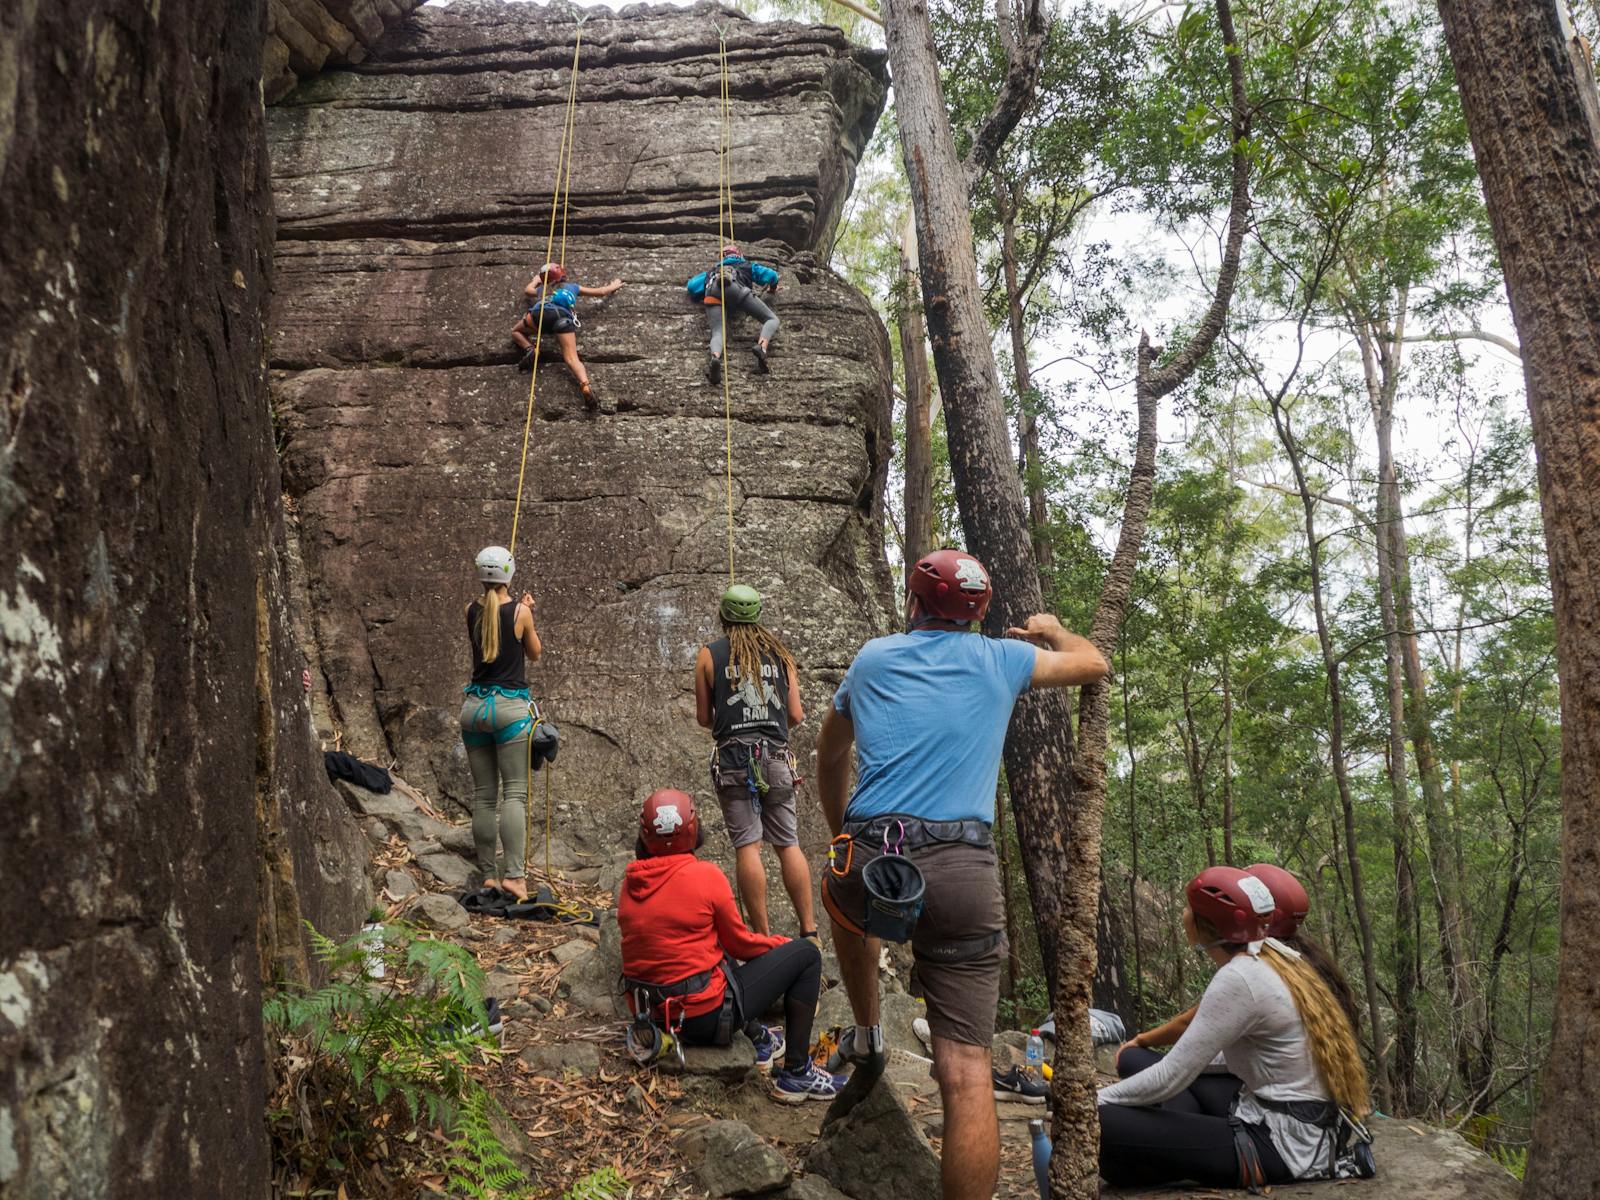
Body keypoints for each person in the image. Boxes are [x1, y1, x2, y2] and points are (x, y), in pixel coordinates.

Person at [813, 548, 1110, 1200]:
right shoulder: (1003, 660)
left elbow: (829, 754)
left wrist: (843, 828)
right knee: (968, 1070)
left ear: (914, 604)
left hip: (874, 848)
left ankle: (866, 1032)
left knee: (843, 900)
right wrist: (1052, 628)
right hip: (964, 868)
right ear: (977, 612)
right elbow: (1095, 662)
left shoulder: (873, 659)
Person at [1098, 866, 1374, 1190]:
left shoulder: (1240, 977)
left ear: (1207, 923)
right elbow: (1217, 1061)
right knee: (1135, 1079)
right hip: (1298, 1125)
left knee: (1101, 1121)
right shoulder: (1275, 956)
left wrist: (1091, 1101)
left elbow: (1170, 1077)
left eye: (1189, 909)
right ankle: (1163, 1152)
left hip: (1281, 1145)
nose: (1183, 914)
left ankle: (1165, 1150)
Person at [617, 789, 847, 1102]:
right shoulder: (706, 876)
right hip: (703, 1018)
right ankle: (796, 1073)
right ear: (693, 831)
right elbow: (740, 945)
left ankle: (758, 1036)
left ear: (644, 836)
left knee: (709, 945)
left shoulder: (630, 884)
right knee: (806, 955)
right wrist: (780, 945)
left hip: (653, 1019)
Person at [1116, 861, 1361, 1062]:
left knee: (1134, 1062)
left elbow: (1190, 1023)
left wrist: (1141, 1040)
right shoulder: (1303, 957)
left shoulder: (1257, 964)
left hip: (1270, 1095)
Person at [693, 584, 815, 941]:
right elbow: (795, 714)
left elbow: (704, 718)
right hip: (775, 757)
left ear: (723, 616)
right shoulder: (781, 655)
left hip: (734, 759)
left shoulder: (708, 655)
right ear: (758, 615)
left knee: (749, 845)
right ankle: (809, 930)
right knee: (787, 843)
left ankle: (761, 939)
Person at [459, 546, 543, 902]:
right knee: (514, 794)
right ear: (509, 573)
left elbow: (490, 629)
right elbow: (534, 653)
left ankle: (488, 877)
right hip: (509, 709)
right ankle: (515, 877)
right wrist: (528, 613)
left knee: (483, 796)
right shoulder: (521, 612)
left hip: (474, 708)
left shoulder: (470, 610)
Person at [510, 262, 625, 405]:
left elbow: (527, 291)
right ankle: (585, 385)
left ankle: (530, 348)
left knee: (516, 331)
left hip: (539, 315)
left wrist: (535, 281)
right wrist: (615, 285)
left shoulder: (542, 289)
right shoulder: (573, 287)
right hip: (561, 318)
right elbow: (601, 292)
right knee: (571, 358)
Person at [686, 244, 780, 382]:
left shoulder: (712, 271)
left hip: (713, 292)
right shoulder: (746, 265)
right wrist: (772, 289)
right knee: (771, 319)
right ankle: (762, 348)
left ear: (722, 257)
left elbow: (692, 287)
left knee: (718, 332)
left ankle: (715, 358)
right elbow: (772, 276)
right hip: (737, 291)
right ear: (739, 254)